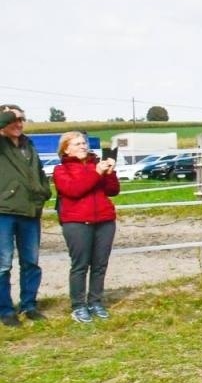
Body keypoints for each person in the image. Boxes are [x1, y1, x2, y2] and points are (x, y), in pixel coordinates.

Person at [52, 132, 121, 322]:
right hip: (77, 222)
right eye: (77, 143)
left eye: (84, 143)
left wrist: (110, 172)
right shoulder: (60, 170)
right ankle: (78, 305)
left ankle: (96, 301)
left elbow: (113, 190)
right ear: (66, 149)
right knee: (80, 265)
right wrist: (97, 172)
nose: (83, 146)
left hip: (104, 221)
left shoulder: (95, 164)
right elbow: (74, 190)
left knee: (100, 264)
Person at [0, 105, 51, 327]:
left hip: (30, 210)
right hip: (4, 210)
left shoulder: (28, 144)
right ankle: (5, 310)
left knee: (31, 262)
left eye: (22, 119)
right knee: (3, 264)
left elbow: (38, 172)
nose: (19, 123)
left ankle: (29, 305)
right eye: (13, 119)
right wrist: (7, 113)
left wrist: (44, 191)